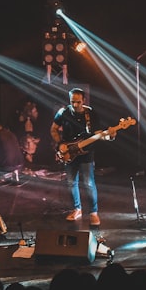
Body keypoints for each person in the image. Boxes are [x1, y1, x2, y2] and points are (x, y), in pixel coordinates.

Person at [50, 88, 106, 226]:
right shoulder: (63, 112)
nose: (75, 105)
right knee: (71, 183)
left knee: (88, 183)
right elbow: (53, 129)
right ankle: (77, 209)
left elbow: (99, 133)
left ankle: (93, 212)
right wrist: (60, 144)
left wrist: (109, 136)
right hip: (69, 152)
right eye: (72, 102)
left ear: (84, 101)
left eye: (78, 102)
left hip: (86, 153)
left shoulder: (91, 113)